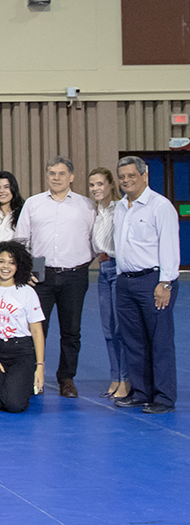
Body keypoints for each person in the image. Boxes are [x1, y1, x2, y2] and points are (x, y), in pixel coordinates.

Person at [13, 156, 95, 399]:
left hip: (75, 275)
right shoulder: (33, 203)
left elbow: (94, 241)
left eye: (61, 173)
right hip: (41, 276)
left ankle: (66, 378)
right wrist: (25, 271)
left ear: (71, 177)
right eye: (52, 173)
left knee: (72, 331)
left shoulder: (86, 205)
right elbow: (20, 240)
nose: (56, 178)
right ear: (47, 175)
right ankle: (32, 376)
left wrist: (80, 264)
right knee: (37, 328)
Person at [113, 156, 180, 414]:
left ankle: (164, 397)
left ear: (144, 175)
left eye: (132, 175)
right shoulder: (120, 207)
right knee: (133, 342)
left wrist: (165, 283)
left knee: (160, 342)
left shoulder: (160, 206)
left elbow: (170, 246)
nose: (126, 180)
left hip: (153, 282)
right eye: (122, 177)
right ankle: (141, 393)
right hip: (125, 282)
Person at [0, 241, 46, 413]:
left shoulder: (27, 292)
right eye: (1, 261)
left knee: (14, 405)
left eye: (11, 262)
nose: (6, 267)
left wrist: (40, 366)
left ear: (19, 266)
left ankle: (22, 381)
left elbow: (37, 331)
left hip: (21, 351)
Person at [87, 166, 127, 400]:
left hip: (118, 268)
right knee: (108, 329)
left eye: (100, 183)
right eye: (92, 185)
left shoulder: (121, 209)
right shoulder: (96, 212)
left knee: (121, 329)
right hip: (102, 270)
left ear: (111, 184)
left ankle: (126, 379)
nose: (96, 188)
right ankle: (115, 377)